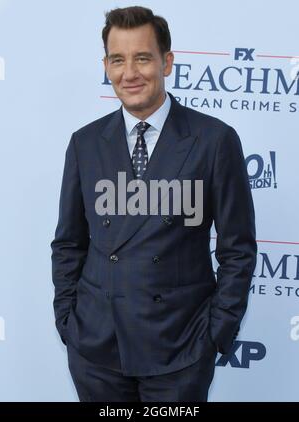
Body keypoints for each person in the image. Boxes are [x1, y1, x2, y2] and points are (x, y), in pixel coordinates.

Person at [51, 6, 257, 402]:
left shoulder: (214, 141)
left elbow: (238, 249)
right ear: (106, 66)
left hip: (180, 348)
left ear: (167, 62)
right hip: (96, 347)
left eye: (142, 58)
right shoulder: (85, 142)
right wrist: (68, 321)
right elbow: (68, 244)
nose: (130, 73)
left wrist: (216, 334)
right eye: (118, 60)